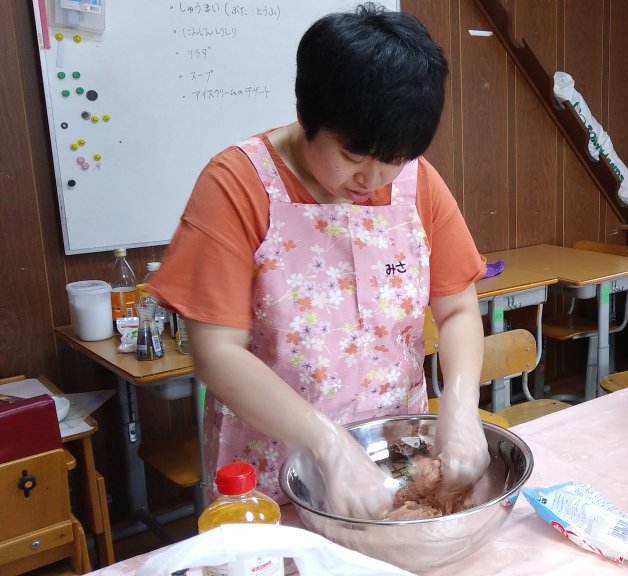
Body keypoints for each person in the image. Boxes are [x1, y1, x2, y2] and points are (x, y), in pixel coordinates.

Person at [147, 4, 489, 519]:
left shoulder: (417, 182)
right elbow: (216, 353)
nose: (372, 179)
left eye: (393, 160)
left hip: (400, 464)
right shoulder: (238, 184)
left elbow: (458, 308)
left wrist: (460, 405)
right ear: (306, 112)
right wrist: (326, 443)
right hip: (275, 476)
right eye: (352, 156)